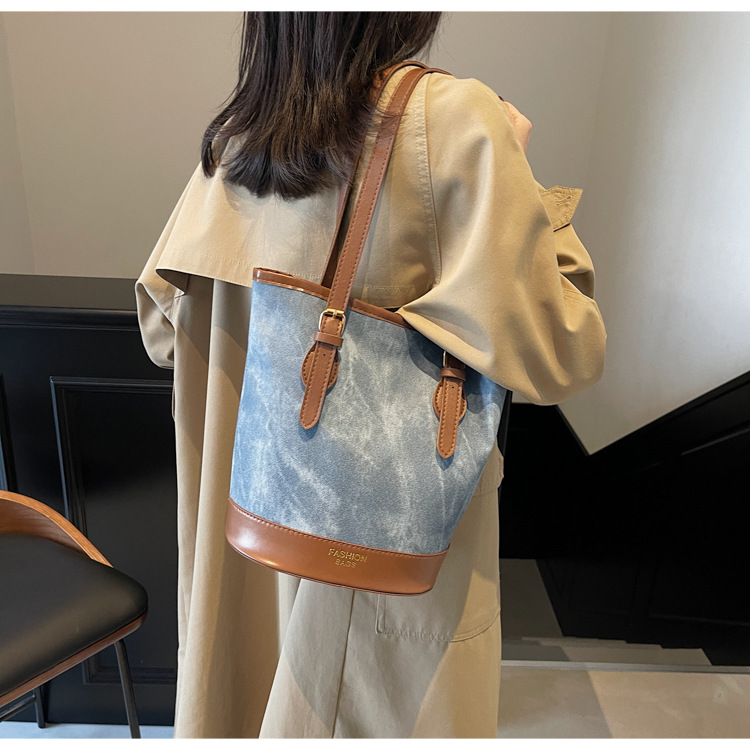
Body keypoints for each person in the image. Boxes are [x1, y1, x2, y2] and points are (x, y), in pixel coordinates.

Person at [135, 11, 606, 739]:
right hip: (375, 559)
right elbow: (562, 351)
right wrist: (522, 179)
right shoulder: (456, 120)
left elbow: (162, 333)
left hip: (243, 535)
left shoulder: (241, 137)